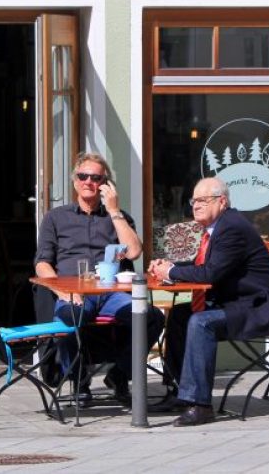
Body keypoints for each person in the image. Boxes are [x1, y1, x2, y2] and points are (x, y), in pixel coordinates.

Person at [149, 177, 269, 427]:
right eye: (194, 201)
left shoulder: (231, 227)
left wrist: (170, 274)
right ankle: (180, 393)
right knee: (181, 315)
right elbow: (204, 267)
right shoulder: (217, 228)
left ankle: (201, 405)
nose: (195, 206)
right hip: (237, 302)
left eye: (202, 201)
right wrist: (169, 267)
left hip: (259, 306)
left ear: (222, 202)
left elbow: (210, 274)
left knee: (201, 322)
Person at [35, 152, 165, 405]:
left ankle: (120, 373)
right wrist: (62, 291)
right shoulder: (56, 217)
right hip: (73, 292)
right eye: (83, 176)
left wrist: (114, 210)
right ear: (75, 181)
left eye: (96, 178)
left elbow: (135, 251)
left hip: (110, 293)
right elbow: (42, 263)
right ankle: (78, 378)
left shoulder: (118, 218)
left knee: (151, 317)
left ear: (105, 184)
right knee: (66, 318)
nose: (89, 182)